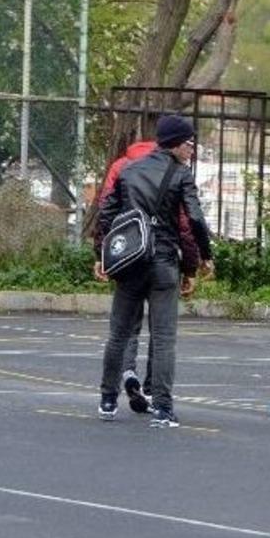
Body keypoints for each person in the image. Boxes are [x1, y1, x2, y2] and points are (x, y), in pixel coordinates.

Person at [94, 115, 212, 428]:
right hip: (162, 262)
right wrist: (202, 258)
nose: (191, 149)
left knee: (118, 334)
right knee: (163, 338)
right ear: (175, 142)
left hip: (130, 261)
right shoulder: (181, 174)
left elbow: (105, 214)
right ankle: (162, 407)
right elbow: (195, 220)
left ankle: (108, 399)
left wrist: (101, 256)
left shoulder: (129, 171)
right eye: (189, 143)